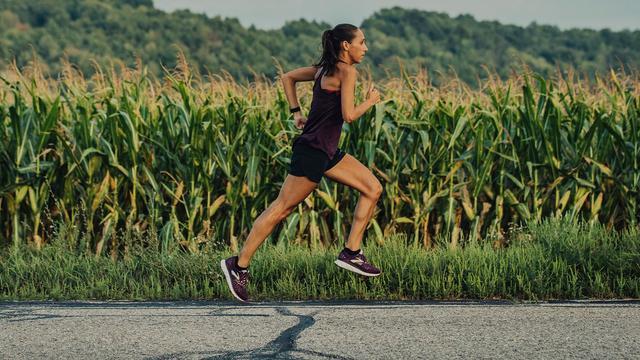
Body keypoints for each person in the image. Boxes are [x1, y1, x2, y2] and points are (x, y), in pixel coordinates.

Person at [220, 24, 383, 303]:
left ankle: (351, 252)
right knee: (281, 208)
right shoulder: (347, 71)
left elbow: (287, 77)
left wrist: (296, 112)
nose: (365, 48)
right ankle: (238, 265)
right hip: (314, 152)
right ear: (346, 45)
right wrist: (370, 101)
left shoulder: (322, 69)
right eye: (362, 42)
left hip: (326, 151)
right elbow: (349, 115)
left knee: (372, 188)